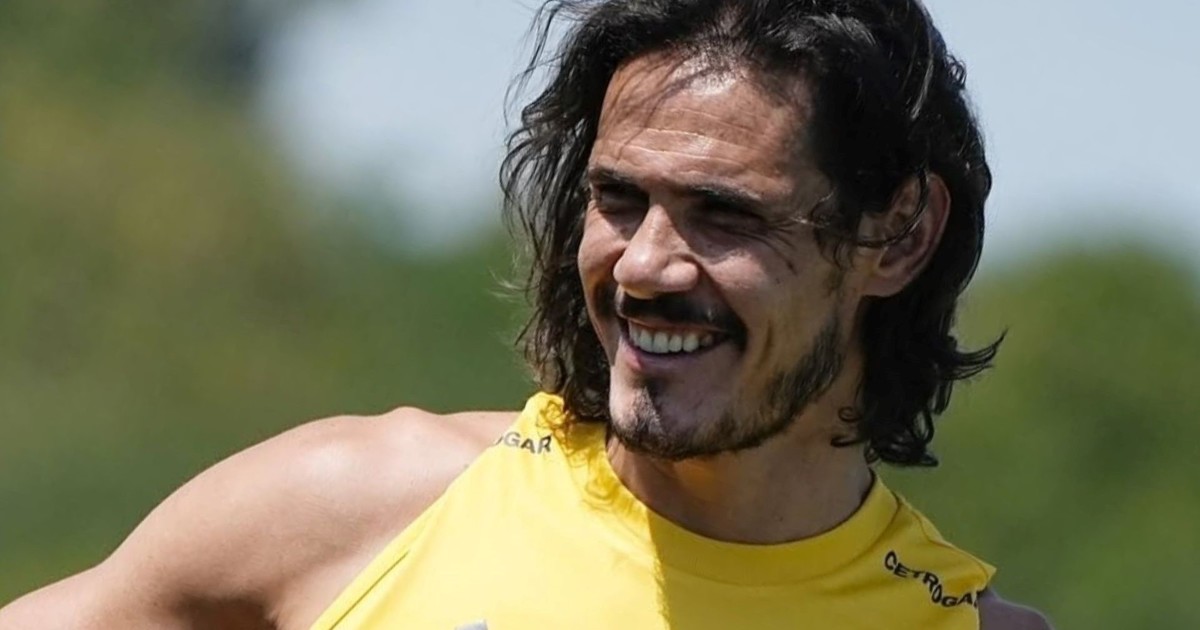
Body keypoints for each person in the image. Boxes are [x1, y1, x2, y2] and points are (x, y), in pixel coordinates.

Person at [0, 0, 1052, 628]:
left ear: (897, 236)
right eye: (618, 199)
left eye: (724, 214)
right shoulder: (354, 510)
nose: (645, 264)